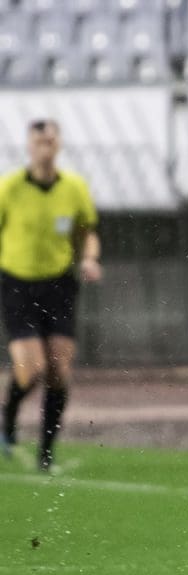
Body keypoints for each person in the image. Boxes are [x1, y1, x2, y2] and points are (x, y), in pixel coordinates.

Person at [0, 119, 102, 471]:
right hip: (17, 283)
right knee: (31, 370)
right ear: (29, 146)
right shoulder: (9, 187)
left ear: (58, 145)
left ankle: (45, 453)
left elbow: (87, 231)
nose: (45, 146)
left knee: (59, 371)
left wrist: (89, 257)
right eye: (39, 141)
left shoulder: (73, 187)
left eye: (50, 140)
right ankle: (8, 417)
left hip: (58, 285)